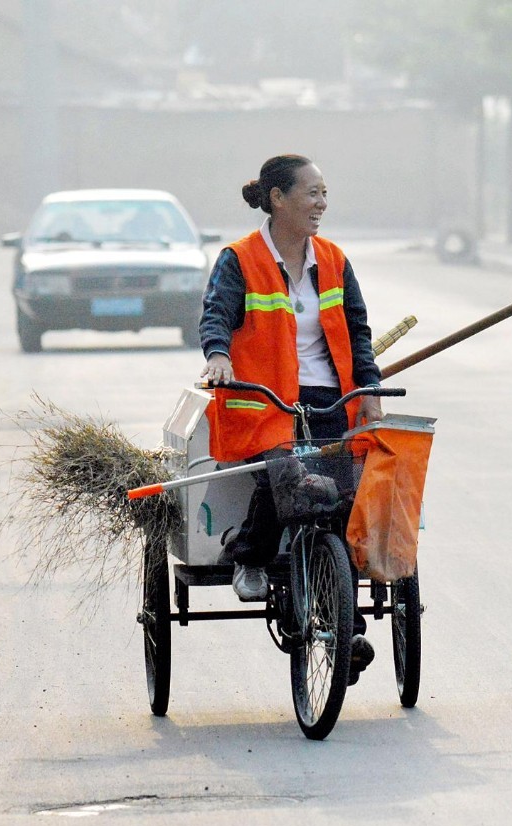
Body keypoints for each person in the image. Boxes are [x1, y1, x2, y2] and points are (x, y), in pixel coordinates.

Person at [199, 154, 383, 680]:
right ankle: (250, 553)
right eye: (312, 193)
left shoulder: (334, 258)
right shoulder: (239, 259)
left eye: (325, 193)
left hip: (329, 398)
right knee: (289, 481)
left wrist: (368, 387)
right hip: (265, 398)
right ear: (278, 198)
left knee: (341, 500)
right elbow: (216, 314)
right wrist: (218, 355)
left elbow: (358, 330)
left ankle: (343, 629)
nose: (321, 204)